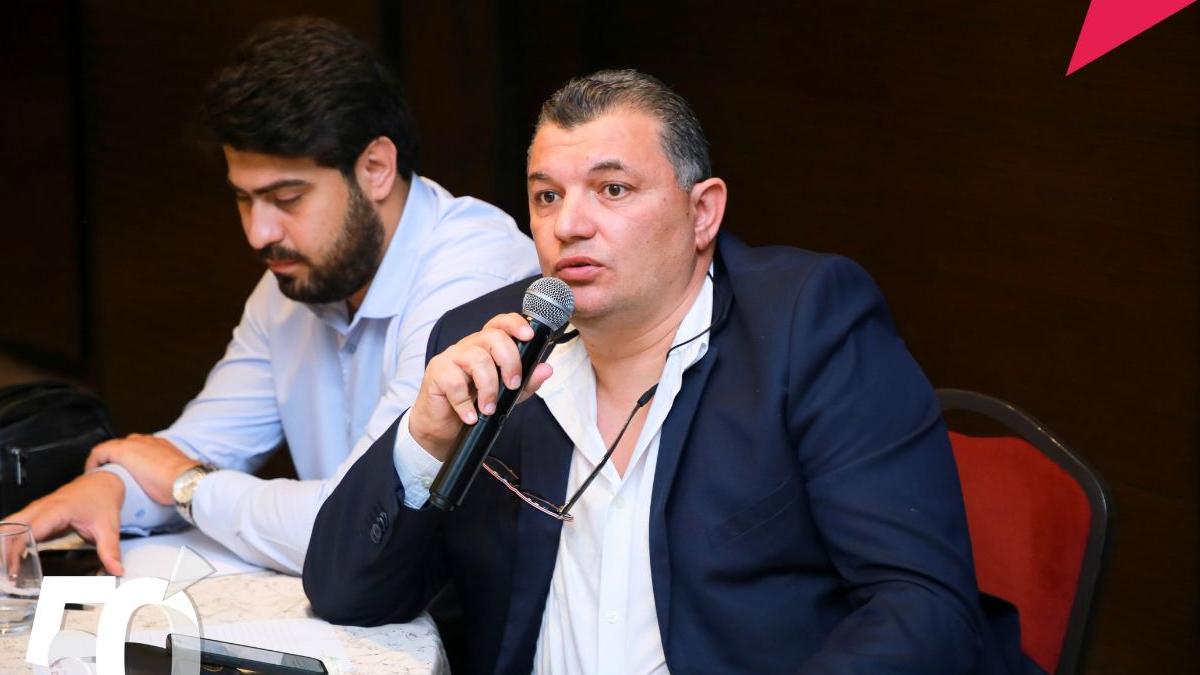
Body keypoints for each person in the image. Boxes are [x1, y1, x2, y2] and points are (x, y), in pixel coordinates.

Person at [303, 70, 1034, 674]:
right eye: (547, 195)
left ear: (702, 213)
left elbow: (921, 609)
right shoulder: (491, 345)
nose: (569, 224)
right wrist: (424, 440)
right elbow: (344, 596)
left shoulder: (807, 327)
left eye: (612, 190)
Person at [6, 17, 539, 576]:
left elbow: (357, 523)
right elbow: (201, 442)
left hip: (460, 614)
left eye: (287, 198)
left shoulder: (474, 275)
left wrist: (189, 486)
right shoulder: (295, 279)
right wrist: (113, 487)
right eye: (244, 199)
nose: (258, 234)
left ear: (376, 168)